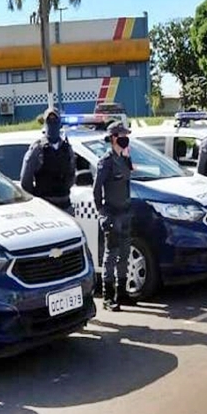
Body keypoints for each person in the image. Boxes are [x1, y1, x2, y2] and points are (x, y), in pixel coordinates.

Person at [93, 121, 133, 312]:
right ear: (114, 137)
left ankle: (121, 292)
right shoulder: (106, 162)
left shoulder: (125, 159)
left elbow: (127, 183)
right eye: (123, 135)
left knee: (124, 254)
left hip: (125, 213)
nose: (126, 138)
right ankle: (108, 297)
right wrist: (102, 211)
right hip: (112, 214)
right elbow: (96, 189)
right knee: (111, 255)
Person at [20, 107, 76, 212]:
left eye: (55, 121)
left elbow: (71, 175)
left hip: (65, 205)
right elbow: (25, 180)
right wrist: (38, 199)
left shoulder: (67, 149)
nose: (52, 124)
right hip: (45, 206)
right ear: (45, 124)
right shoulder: (37, 149)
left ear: (59, 123)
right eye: (49, 121)